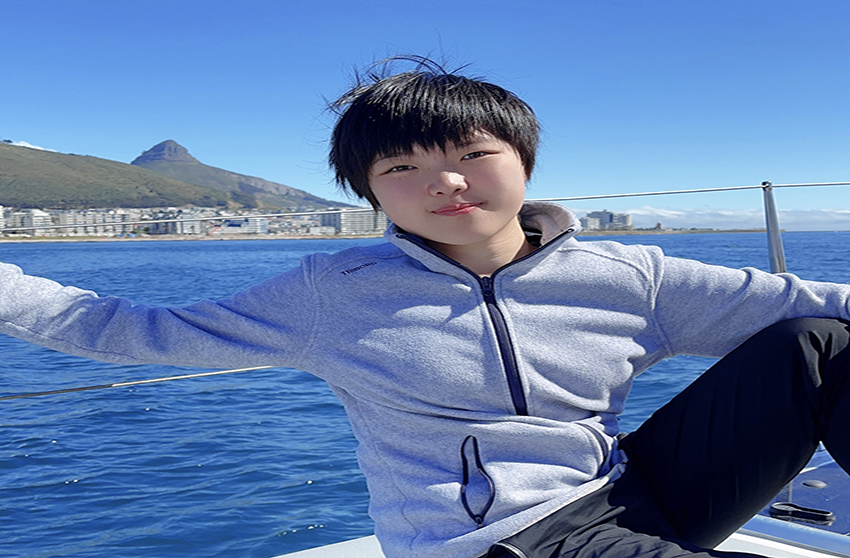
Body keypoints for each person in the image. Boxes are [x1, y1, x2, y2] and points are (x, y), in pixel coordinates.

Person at [1, 57, 850, 558]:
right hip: (503, 539)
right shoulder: (333, 294)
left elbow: (811, 303)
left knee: (820, 342)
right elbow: (139, 329)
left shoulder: (626, 276)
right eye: (401, 168)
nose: (444, 181)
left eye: (472, 154)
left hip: (629, 488)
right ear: (370, 192)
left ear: (522, 160)